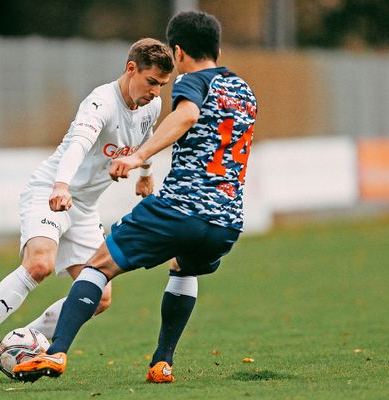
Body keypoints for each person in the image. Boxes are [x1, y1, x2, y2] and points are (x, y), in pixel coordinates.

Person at [13, 10, 257, 384]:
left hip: (180, 208)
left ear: (177, 52)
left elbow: (188, 116)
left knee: (98, 266)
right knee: (183, 267)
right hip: (226, 221)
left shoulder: (192, 82)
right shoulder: (244, 90)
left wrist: (139, 156)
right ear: (218, 49)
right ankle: (162, 362)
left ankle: (56, 352)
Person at [0, 38, 174, 379]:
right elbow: (77, 144)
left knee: (99, 297)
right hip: (52, 190)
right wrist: (61, 186)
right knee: (40, 263)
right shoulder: (100, 102)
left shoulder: (151, 107)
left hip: (84, 207)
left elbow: (144, 142)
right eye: (152, 83)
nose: (156, 93)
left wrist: (144, 174)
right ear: (132, 69)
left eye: (162, 85)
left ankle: (13, 345)